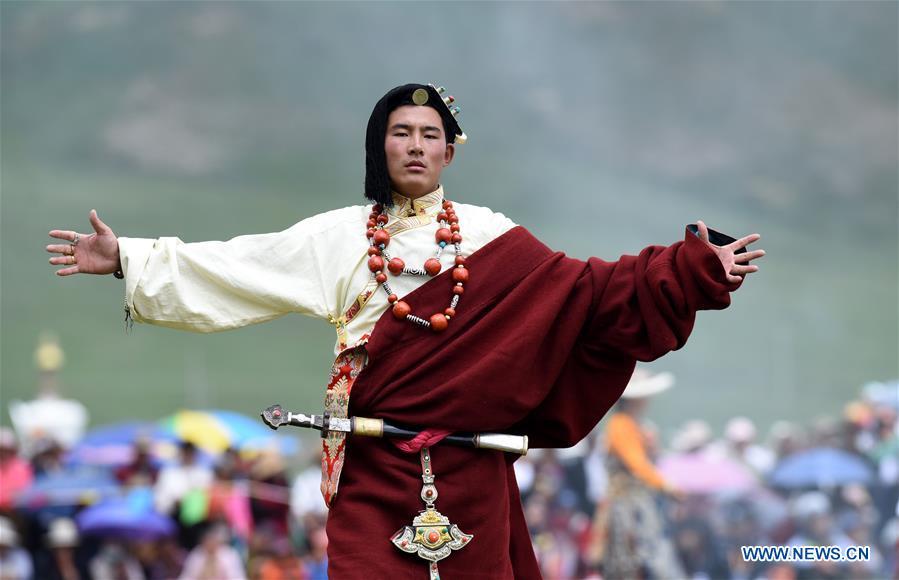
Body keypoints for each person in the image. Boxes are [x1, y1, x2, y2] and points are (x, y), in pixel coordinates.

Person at [46, 83, 765, 578]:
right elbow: (239, 266)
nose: (415, 146)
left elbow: (593, 294)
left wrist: (691, 270)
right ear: (379, 147)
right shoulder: (338, 237)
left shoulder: (491, 236)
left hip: (473, 473)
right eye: (400, 134)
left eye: (430, 135)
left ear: (449, 152)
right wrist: (128, 258)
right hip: (373, 471)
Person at [587, 368, 686, 579]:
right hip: (627, 503)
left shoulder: (635, 426)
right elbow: (636, 463)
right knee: (631, 560)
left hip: (636, 502)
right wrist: (666, 485)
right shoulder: (621, 425)